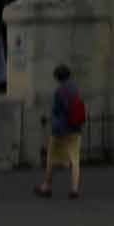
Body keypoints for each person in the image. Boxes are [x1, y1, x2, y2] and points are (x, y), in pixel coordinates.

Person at [34, 62, 82, 199]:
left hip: (60, 130)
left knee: (51, 158)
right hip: (75, 127)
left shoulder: (59, 91)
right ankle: (74, 188)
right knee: (75, 159)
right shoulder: (75, 88)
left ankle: (47, 186)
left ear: (57, 77)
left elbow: (56, 111)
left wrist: (49, 119)